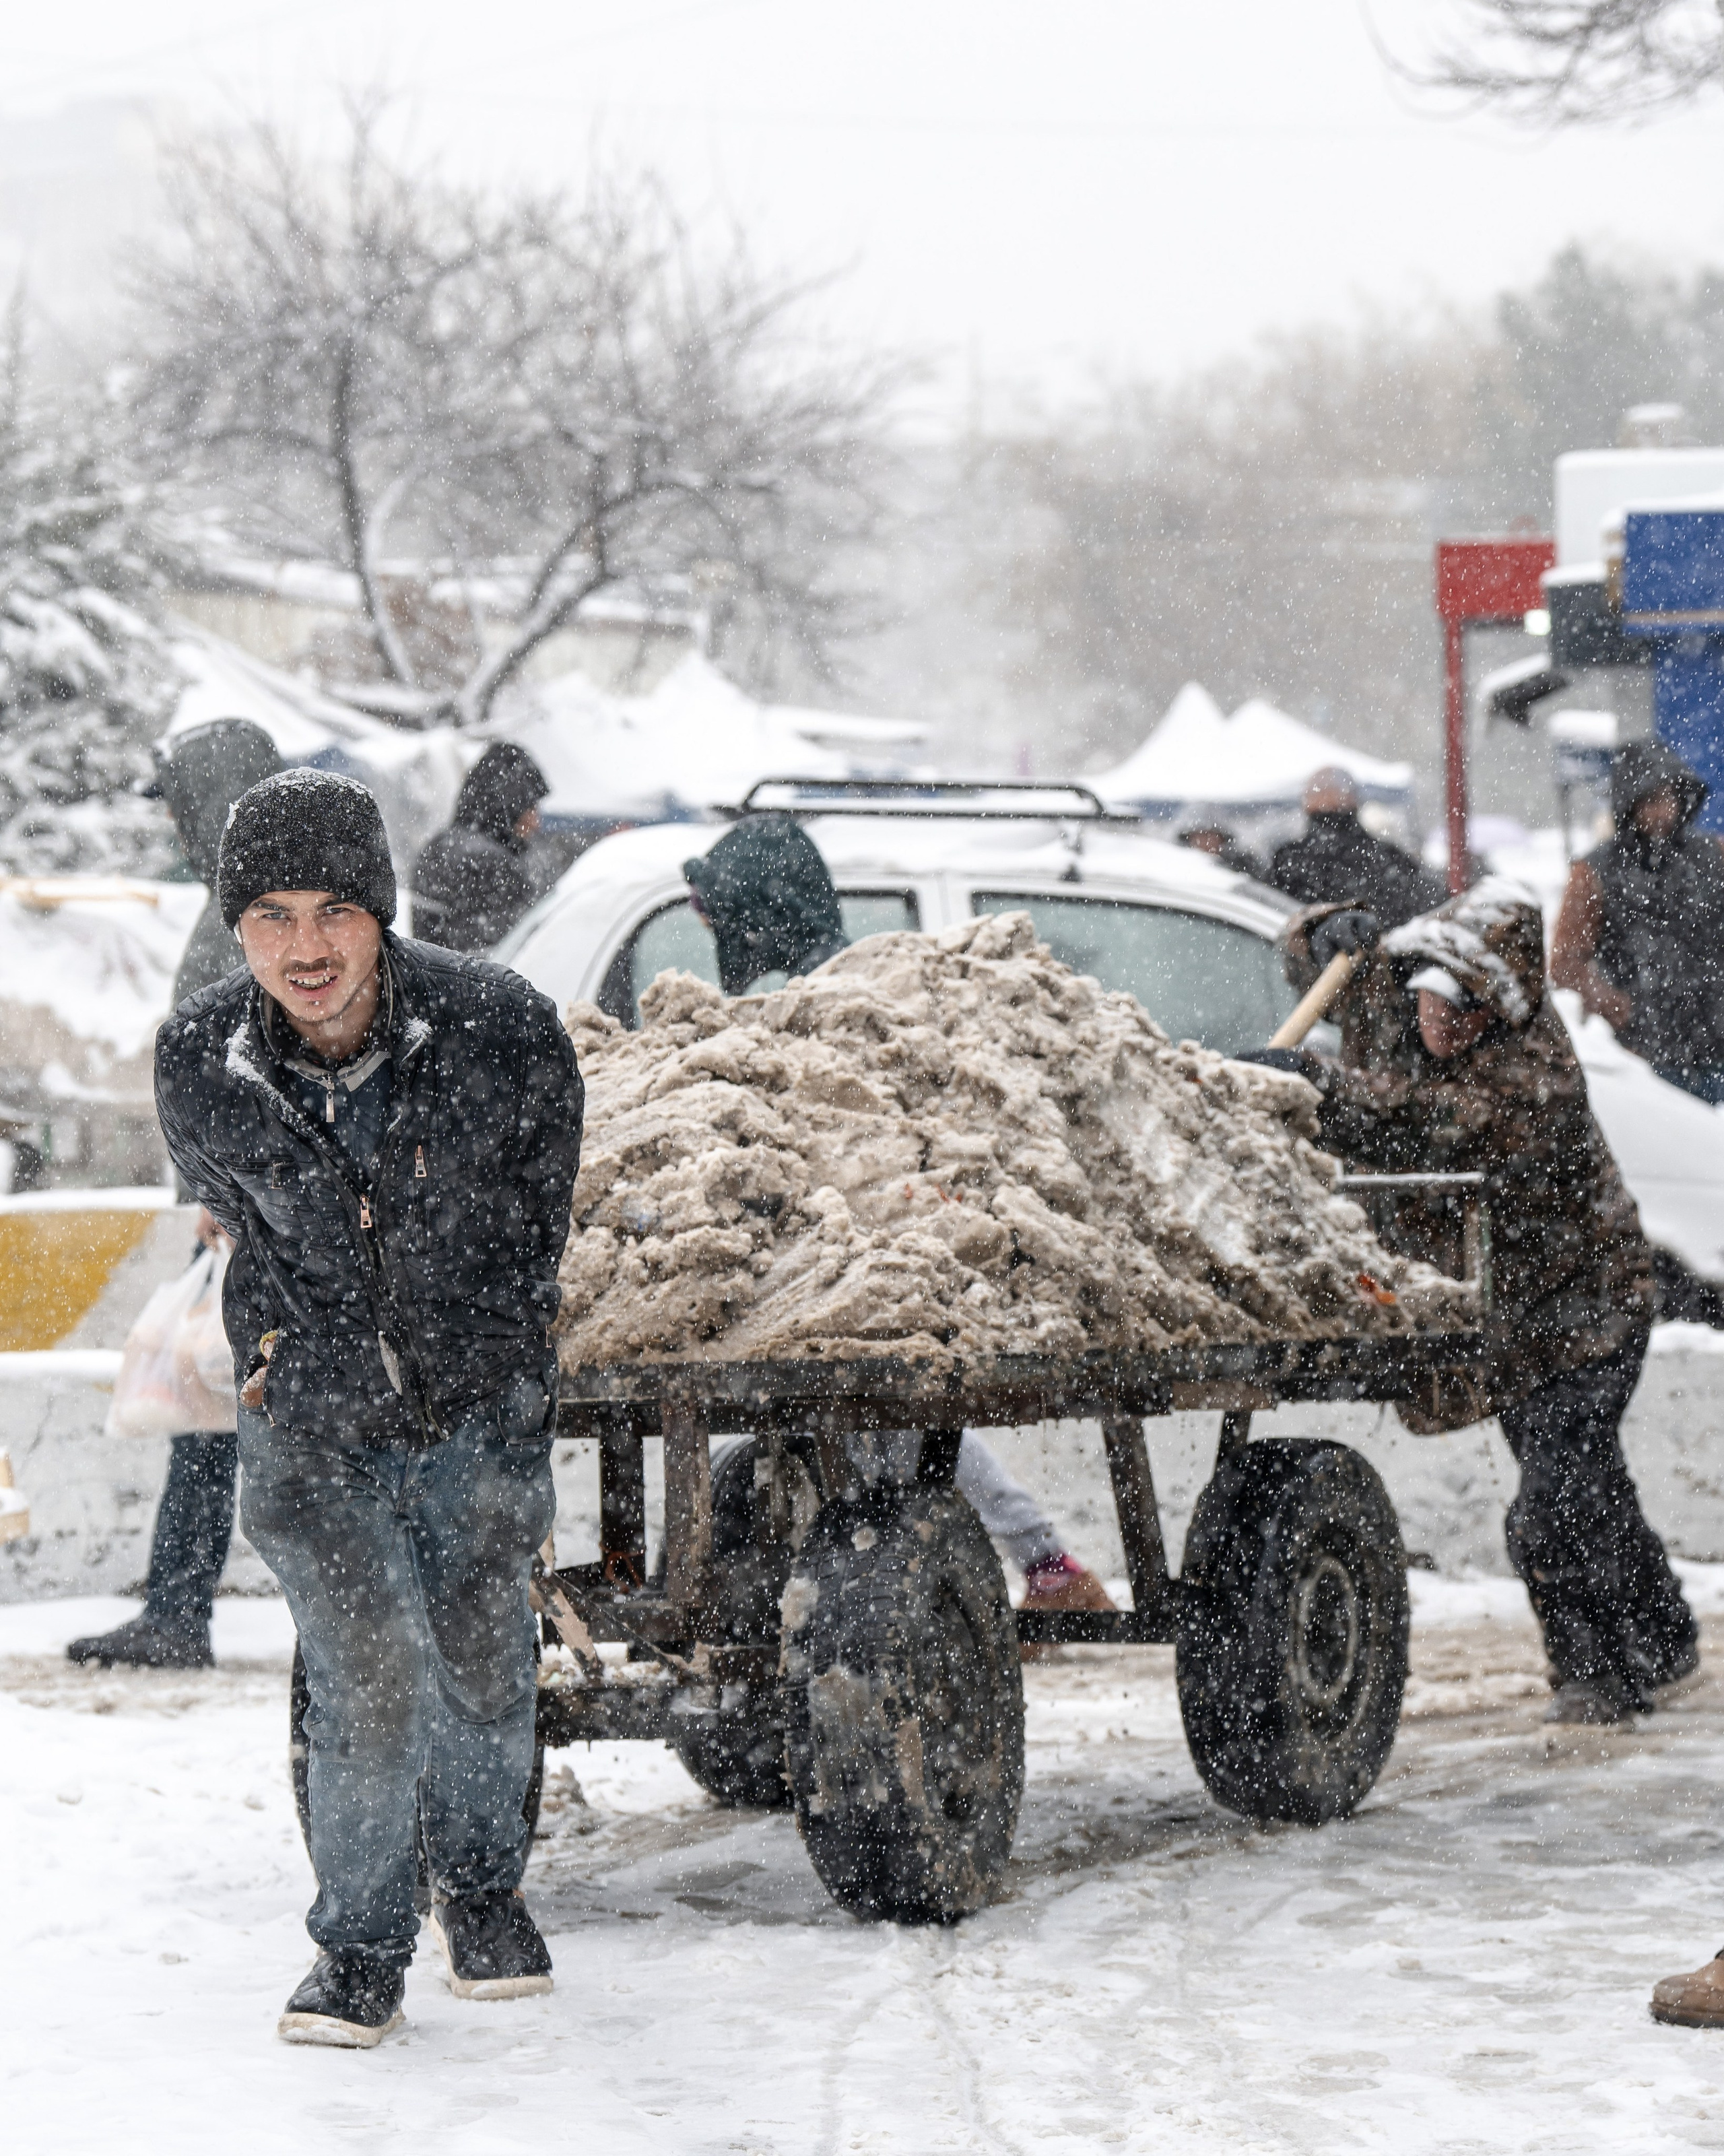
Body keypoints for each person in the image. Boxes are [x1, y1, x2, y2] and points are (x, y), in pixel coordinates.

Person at [154, 769, 583, 2047]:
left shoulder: (503, 1030)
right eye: (271, 915)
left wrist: (479, 1361)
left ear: (380, 912)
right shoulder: (197, 1060)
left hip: (477, 1402)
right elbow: (242, 1222)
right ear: (236, 928)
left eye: (334, 910)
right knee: (366, 1670)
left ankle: (485, 1889)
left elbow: (535, 1224)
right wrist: (304, 1351)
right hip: (314, 1415)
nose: (306, 948)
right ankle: (358, 1949)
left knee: (485, 1653)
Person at [1253, 880, 1696, 1727]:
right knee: (1584, 1483)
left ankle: (1596, 1674)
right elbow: (1303, 960)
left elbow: (1411, 1127)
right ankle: (1662, 1631)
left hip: (1590, 1312)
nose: (1438, 1026)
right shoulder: (1402, 990)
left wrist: (1308, 1081)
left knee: (1552, 1507)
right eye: (1429, 1006)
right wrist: (1323, 930)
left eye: (1462, 1015)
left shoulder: (1534, 1077)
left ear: (1495, 1011)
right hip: (1515, 1321)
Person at [684, 814, 1115, 1623]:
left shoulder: (834, 1004)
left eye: (720, 916)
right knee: (893, 1438)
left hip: (882, 1259)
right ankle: (1042, 1562)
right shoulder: (806, 995)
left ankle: (1043, 1562)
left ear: (755, 913)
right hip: (850, 1262)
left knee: (899, 1435)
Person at [69, 717, 282, 1672]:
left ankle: (180, 1605)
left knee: (222, 1410)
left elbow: (254, 1065)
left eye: (184, 808)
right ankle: (178, 1601)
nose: (179, 831)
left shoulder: (260, 911)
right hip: (250, 1205)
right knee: (217, 1404)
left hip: (255, 1214)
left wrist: (227, 1190)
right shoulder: (255, 900)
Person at [1550, 738, 1724, 1104]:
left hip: (1716, 1044)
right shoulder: (1594, 872)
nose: (1666, 811)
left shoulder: (1713, 858)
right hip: (1645, 1055)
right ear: (1630, 804)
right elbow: (1566, 962)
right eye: (1653, 800)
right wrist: (1619, 1006)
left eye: (1672, 799)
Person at [1265, 766, 1447, 928]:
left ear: (1307, 804)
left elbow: (1266, 915)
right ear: (1355, 800)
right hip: (1390, 962)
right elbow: (1431, 907)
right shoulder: (1390, 859)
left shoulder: (1289, 863)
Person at [412, 742, 550, 952]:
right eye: (530, 807)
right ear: (508, 804)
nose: (536, 822)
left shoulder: (439, 847)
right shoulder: (492, 864)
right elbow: (516, 956)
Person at [1176, 816, 1263, 881]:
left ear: (1222, 839)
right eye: (1201, 836)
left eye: (1211, 836)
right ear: (1190, 839)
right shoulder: (1181, 869)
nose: (1207, 842)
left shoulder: (1242, 866)